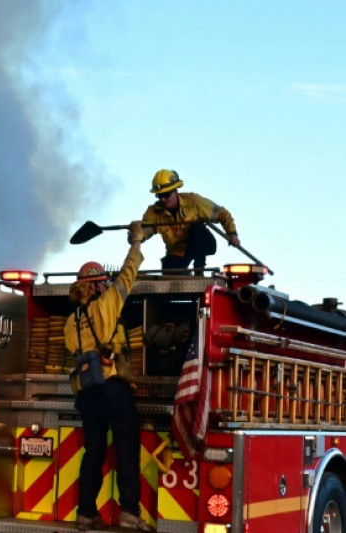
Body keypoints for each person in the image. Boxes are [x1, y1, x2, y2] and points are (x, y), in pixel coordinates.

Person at [65, 221, 153, 532]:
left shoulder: (70, 322)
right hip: (113, 389)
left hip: (87, 394)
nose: (106, 285)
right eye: (103, 282)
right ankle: (129, 513)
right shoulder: (108, 304)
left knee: (94, 453)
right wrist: (136, 242)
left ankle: (86, 512)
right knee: (127, 450)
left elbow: (75, 352)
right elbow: (128, 275)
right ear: (97, 285)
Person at [140, 169, 240, 273]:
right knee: (169, 277)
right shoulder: (153, 213)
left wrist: (232, 233)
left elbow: (222, 214)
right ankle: (185, 275)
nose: (162, 200)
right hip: (177, 252)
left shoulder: (194, 202)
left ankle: (199, 271)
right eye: (159, 196)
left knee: (197, 229)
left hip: (202, 245)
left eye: (166, 195)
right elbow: (142, 233)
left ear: (175, 192)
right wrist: (135, 235)